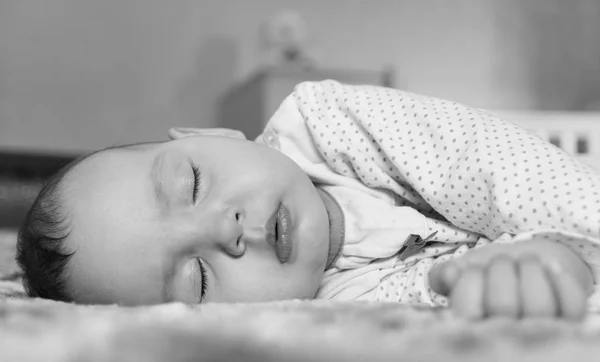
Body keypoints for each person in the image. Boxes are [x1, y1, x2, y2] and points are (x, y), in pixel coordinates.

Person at [16, 80, 600, 320]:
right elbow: (458, 302)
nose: (226, 230)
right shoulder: (329, 315)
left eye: (192, 185)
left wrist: (574, 237)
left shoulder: (327, 122)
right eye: (195, 278)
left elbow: (481, 159)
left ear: (210, 137)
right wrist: (525, 275)